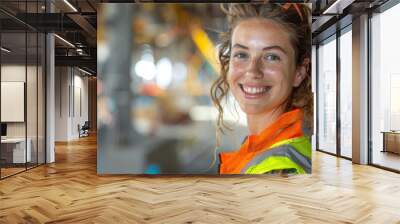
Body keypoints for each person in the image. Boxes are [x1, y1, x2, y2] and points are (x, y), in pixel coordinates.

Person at [210, 3, 312, 174]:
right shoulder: (281, 146)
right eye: (242, 54)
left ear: (299, 72)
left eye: (271, 57)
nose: (252, 71)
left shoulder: (280, 169)